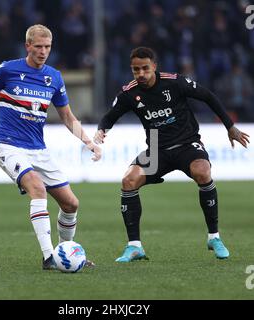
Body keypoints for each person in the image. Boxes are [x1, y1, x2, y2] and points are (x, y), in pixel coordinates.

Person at [0, 24, 101, 270]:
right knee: (37, 187)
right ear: (28, 46)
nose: (43, 51)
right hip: (9, 146)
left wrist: (89, 142)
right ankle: (49, 258)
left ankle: (64, 253)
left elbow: (67, 117)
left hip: (39, 150)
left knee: (71, 204)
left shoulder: (54, 77)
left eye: (47, 47)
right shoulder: (7, 70)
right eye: (38, 46)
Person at [94, 47, 250, 262]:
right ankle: (134, 246)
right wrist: (102, 131)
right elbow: (109, 117)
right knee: (128, 181)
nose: (140, 74)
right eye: (135, 70)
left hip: (187, 142)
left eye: (145, 68)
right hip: (157, 149)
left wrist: (230, 126)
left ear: (154, 67)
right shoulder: (129, 93)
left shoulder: (174, 82)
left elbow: (208, 96)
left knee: (203, 172)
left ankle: (214, 237)